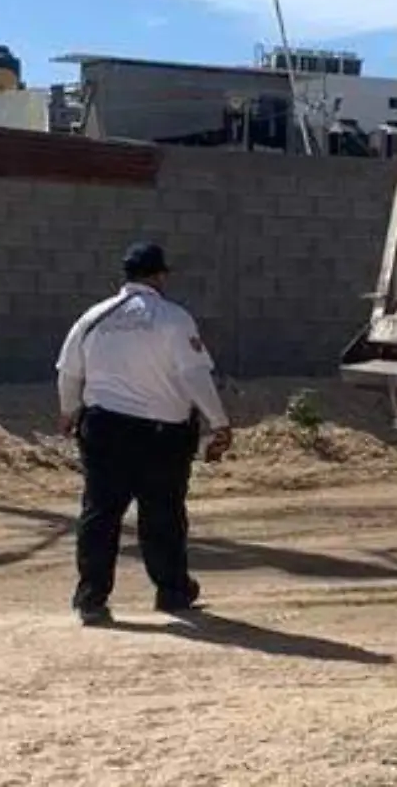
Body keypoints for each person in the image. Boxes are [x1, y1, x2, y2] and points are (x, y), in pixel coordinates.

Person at [56, 242, 234, 626]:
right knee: (163, 514)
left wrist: (68, 411)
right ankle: (172, 592)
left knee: (100, 513)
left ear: (126, 275)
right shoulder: (173, 318)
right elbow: (194, 376)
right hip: (161, 436)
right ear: (160, 276)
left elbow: (69, 372)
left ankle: (91, 598)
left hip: (104, 429)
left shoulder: (94, 317)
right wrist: (218, 421)